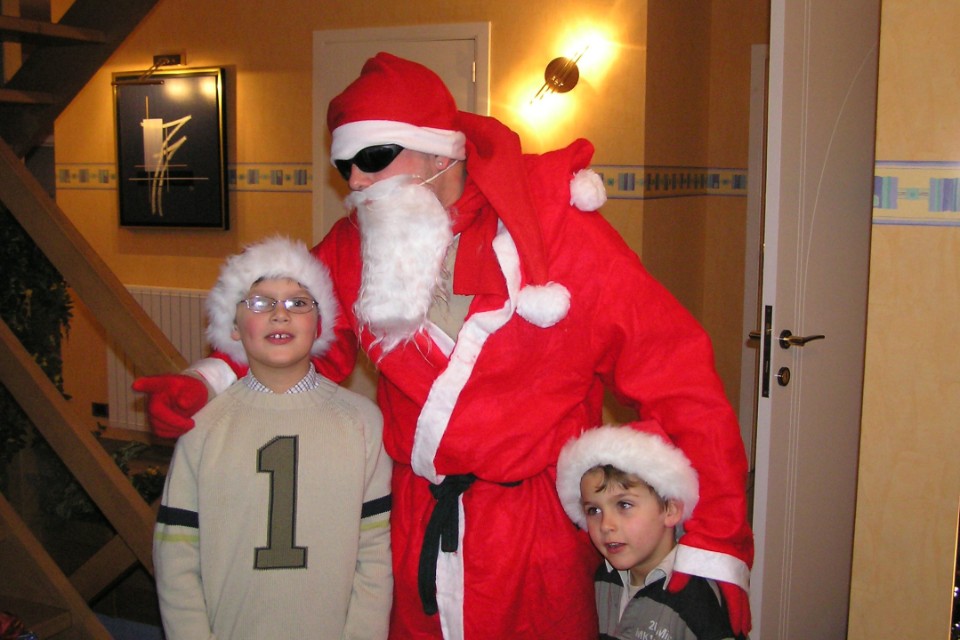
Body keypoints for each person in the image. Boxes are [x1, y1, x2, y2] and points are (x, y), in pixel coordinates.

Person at [134, 53, 753, 639]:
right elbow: (299, 335)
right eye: (345, 166)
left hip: (534, 538)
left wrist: (714, 547)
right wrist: (207, 381)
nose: (356, 181)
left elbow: (680, 380)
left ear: (439, 150)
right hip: (414, 526)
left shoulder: (562, 236)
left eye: (374, 156)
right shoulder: (353, 246)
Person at [151, 236, 393, 640]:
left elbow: (374, 554)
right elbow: (177, 554)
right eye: (260, 302)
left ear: (321, 324)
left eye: (299, 303)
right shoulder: (204, 426)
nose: (281, 315)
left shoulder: (362, 422)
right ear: (232, 325)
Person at [557, 424, 745, 640]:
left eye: (624, 505)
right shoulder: (602, 579)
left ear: (670, 509)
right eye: (594, 510)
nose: (606, 525)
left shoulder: (699, 598)